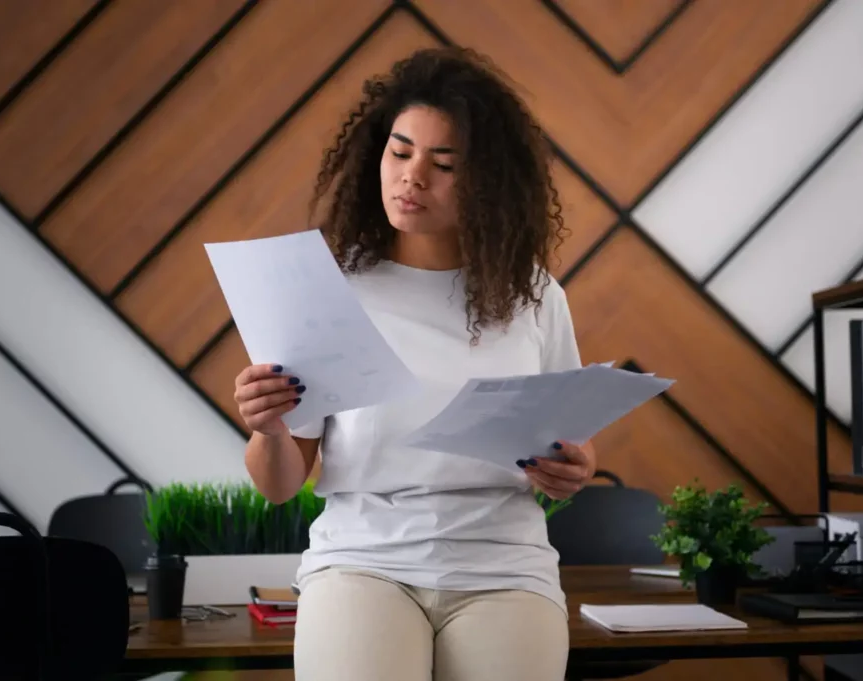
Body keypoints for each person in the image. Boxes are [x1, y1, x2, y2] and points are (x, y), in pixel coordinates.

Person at [235, 46, 597, 681]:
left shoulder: (534, 297)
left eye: (444, 163)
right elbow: (279, 483)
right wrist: (266, 428)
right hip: (363, 561)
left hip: (503, 565)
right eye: (400, 153)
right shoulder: (331, 291)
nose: (412, 177)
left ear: (488, 181)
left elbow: (569, 453)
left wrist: (570, 469)